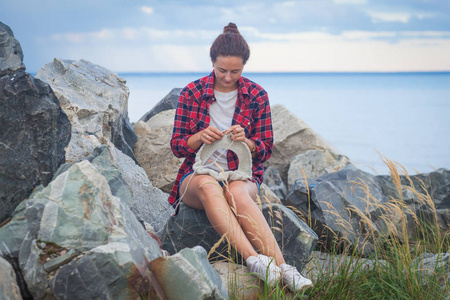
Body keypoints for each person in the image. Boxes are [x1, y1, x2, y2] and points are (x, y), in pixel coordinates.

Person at [169, 22, 313, 293]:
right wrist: (200, 137)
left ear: (244, 65)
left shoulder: (257, 95)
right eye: (222, 70)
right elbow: (177, 147)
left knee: (236, 193)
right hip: (197, 177)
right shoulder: (192, 92)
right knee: (209, 184)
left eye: (235, 71)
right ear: (212, 62)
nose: (227, 77)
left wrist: (246, 141)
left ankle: (284, 270)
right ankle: (255, 260)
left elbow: (266, 149)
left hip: (242, 175)